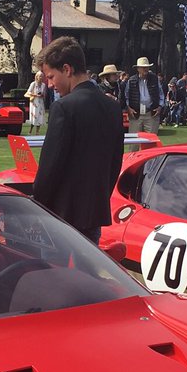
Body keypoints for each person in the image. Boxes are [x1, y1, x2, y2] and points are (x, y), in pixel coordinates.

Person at [32, 36, 124, 244]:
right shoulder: (112, 107)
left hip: (61, 216)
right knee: (85, 276)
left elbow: (50, 168)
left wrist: (36, 205)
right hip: (94, 214)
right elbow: (115, 164)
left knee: (57, 275)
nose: (50, 84)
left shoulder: (64, 107)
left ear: (67, 69)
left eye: (51, 76)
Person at [125, 56, 161, 134]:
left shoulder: (155, 79)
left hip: (151, 114)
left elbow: (161, 94)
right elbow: (126, 96)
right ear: (138, 69)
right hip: (135, 114)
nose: (145, 69)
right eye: (143, 67)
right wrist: (128, 108)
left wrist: (160, 106)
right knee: (134, 142)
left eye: (147, 67)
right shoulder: (131, 81)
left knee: (151, 142)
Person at [25, 70, 46, 134]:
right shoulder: (33, 84)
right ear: (36, 77)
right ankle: (30, 130)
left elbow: (44, 94)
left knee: (40, 116)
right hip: (34, 102)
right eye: (40, 76)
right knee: (34, 116)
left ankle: (37, 131)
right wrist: (35, 95)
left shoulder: (43, 85)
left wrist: (42, 95)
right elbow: (28, 92)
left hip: (40, 102)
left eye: (42, 76)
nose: (41, 78)